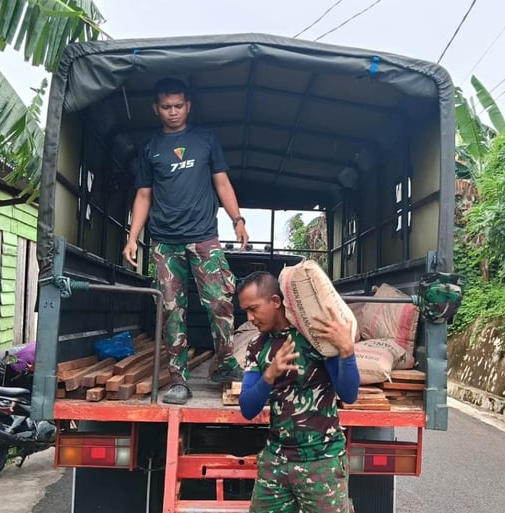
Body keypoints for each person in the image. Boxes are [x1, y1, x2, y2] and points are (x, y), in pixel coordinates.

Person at [122, 77, 250, 405]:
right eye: (166, 107)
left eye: (178, 106)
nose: (173, 112)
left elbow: (222, 183)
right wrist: (133, 237)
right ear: (156, 109)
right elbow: (143, 195)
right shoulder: (150, 149)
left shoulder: (205, 140)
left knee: (221, 300)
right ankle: (179, 379)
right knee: (170, 310)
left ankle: (224, 363)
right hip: (165, 243)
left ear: (188, 106)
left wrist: (238, 220)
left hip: (204, 236)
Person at [237, 271, 360, 513]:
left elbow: (349, 394)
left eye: (253, 309)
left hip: (322, 461)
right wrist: (269, 375)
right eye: (246, 312)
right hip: (276, 461)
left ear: (275, 301)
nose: (250, 318)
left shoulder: (314, 338)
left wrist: (346, 350)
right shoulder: (257, 347)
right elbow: (247, 408)